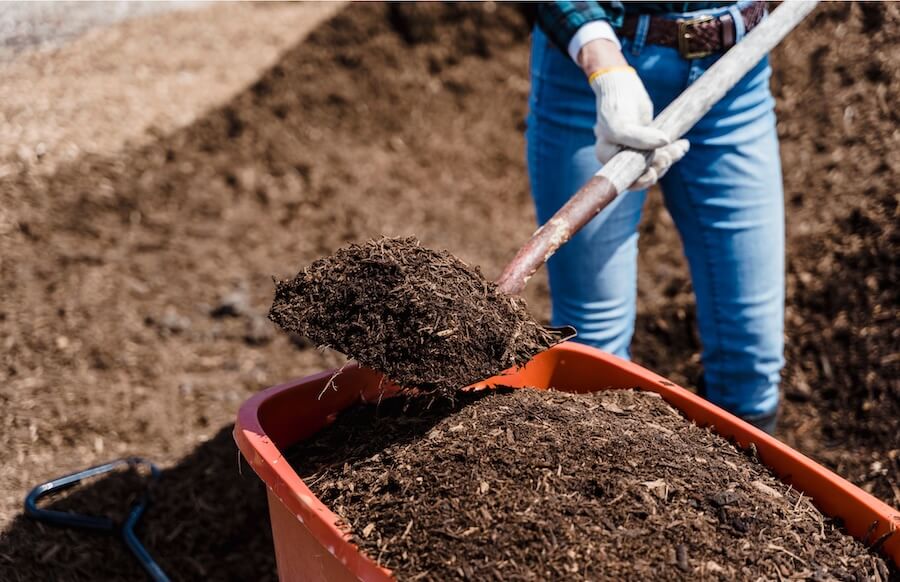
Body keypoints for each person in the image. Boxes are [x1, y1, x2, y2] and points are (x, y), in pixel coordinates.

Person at [528, 1, 782, 433]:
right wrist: (603, 64)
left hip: (736, 70)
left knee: (752, 355)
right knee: (595, 348)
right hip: (595, 70)